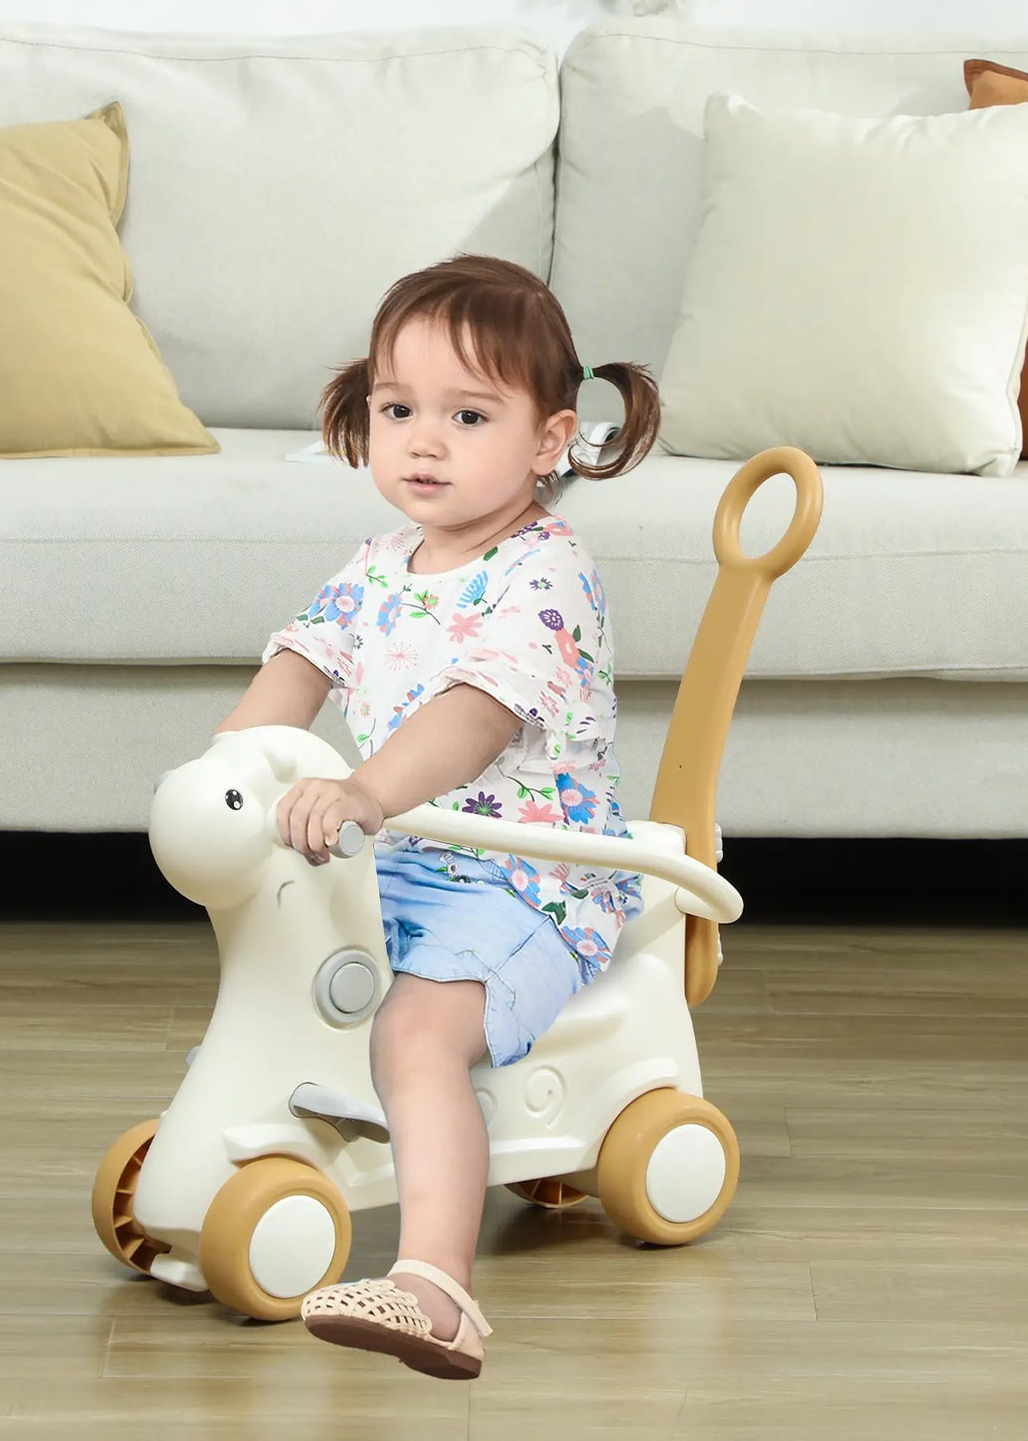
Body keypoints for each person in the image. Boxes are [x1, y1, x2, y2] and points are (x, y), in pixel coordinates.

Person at [212, 253, 660, 1380]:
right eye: (397, 409)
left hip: (527, 877)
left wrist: (362, 789)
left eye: (467, 416)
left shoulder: (544, 573)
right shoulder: (378, 566)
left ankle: (436, 1287)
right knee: (280, 967)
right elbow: (295, 670)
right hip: (404, 862)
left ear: (547, 441)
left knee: (414, 1033)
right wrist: (224, 780)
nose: (422, 442)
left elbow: (470, 718)